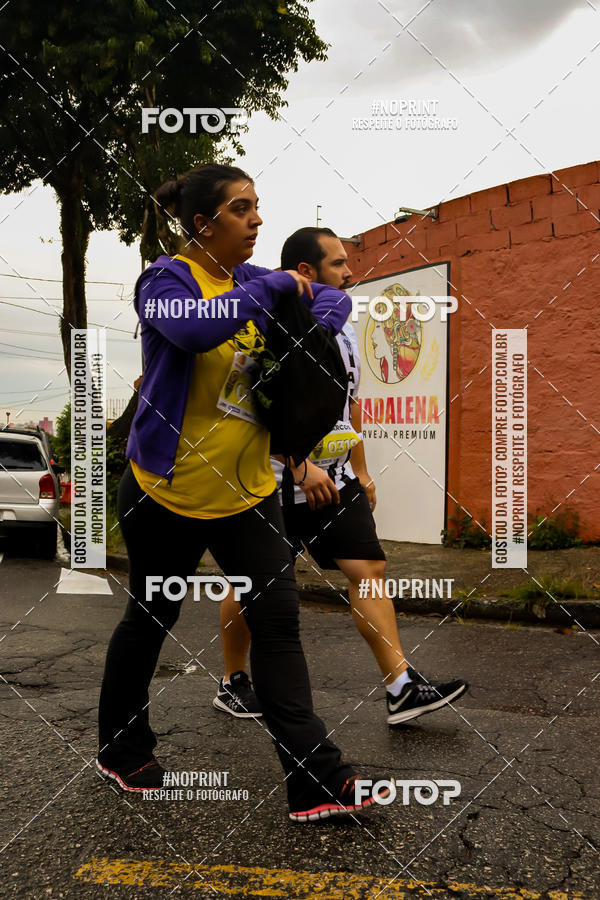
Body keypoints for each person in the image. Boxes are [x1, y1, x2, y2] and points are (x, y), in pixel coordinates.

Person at [97, 166, 390, 822]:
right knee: (151, 618)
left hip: (250, 492)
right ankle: (121, 747)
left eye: (258, 206)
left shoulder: (256, 281)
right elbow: (196, 330)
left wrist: (293, 299)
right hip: (164, 491)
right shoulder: (164, 280)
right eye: (241, 208)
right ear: (203, 224)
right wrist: (283, 288)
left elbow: (334, 306)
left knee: (279, 628)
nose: (258, 219)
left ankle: (318, 780)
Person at [214, 226, 468, 726]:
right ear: (305, 272)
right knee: (251, 586)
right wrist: (299, 465)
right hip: (271, 482)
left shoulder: (344, 328)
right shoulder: (266, 324)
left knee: (369, 571)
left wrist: (362, 469)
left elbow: (345, 409)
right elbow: (252, 408)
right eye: (337, 264)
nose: (350, 272)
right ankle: (234, 682)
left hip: (335, 479)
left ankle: (400, 687)